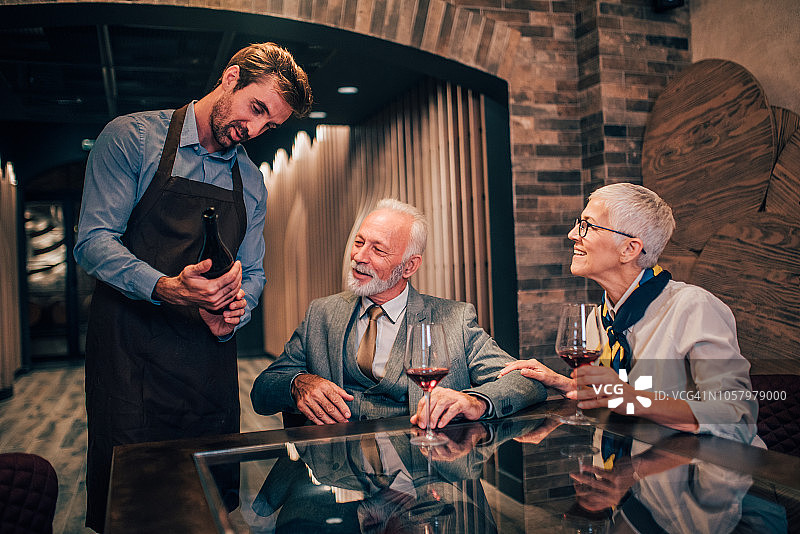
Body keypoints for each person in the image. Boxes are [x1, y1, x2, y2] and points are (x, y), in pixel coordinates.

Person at [74, 42, 312, 531]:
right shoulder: (131, 139)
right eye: (257, 108)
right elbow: (93, 242)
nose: (254, 129)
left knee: (209, 513)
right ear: (231, 77)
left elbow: (254, 272)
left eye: (270, 125)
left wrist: (235, 311)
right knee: (133, 511)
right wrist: (165, 287)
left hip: (207, 375)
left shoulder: (250, 179)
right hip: (129, 367)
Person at [500, 183, 760, 444]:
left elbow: (737, 419)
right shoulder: (598, 318)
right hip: (629, 474)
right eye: (578, 224)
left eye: (587, 226)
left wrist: (633, 400)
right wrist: (563, 383)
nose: (572, 234)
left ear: (629, 249)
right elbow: (622, 392)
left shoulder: (694, 307)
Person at [250, 199, 545, 428]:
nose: (359, 257)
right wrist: (297, 383)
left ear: (409, 266)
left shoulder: (455, 320)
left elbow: (526, 381)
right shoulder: (322, 314)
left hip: (424, 483)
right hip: (339, 483)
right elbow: (262, 390)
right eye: (359, 242)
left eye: (378, 250)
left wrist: (477, 401)